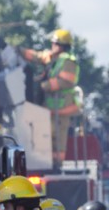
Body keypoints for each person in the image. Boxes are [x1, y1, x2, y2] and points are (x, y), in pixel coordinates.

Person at [21, 28, 81, 167]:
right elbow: (38, 56)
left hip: (61, 109)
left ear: (61, 45)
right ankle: (46, 164)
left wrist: (44, 85)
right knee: (44, 141)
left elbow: (66, 81)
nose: (52, 46)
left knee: (57, 144)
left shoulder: (68, 61)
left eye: (54, 43)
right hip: (49, 109)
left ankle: (56, 166)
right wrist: (20, 51)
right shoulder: (54, 58)